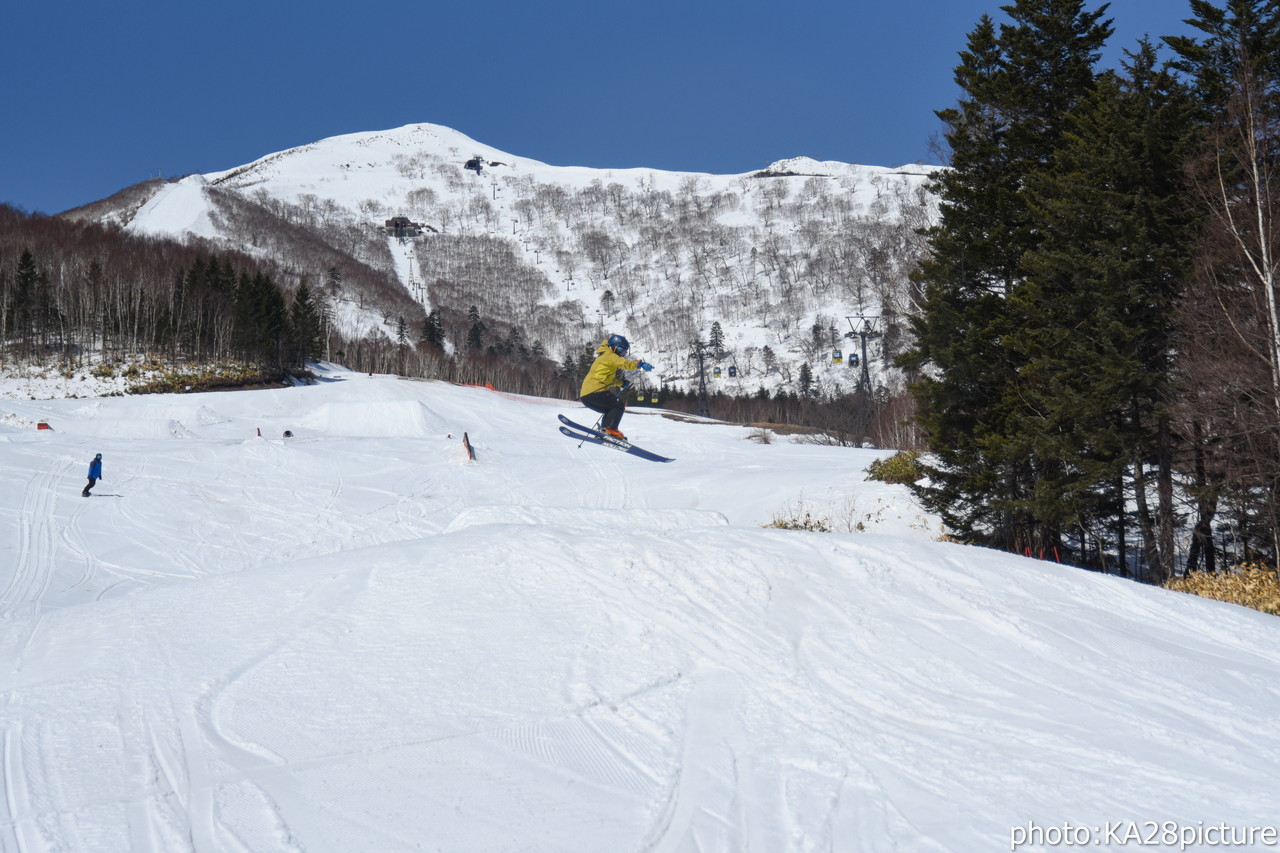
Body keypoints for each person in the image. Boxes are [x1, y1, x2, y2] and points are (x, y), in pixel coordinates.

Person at [579, 334, 653, 440]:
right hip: (594, 392)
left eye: (624, 352)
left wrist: (621, 383)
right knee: (618, 406)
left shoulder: (605, 356)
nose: (622, 354)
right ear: (613, 346)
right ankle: (610, 430)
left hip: (587, 396)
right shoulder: (609, 355)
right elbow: (625, 364)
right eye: (621, 350)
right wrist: (640, 364)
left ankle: (604, 431)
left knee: (610, 409)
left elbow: (606, 379)